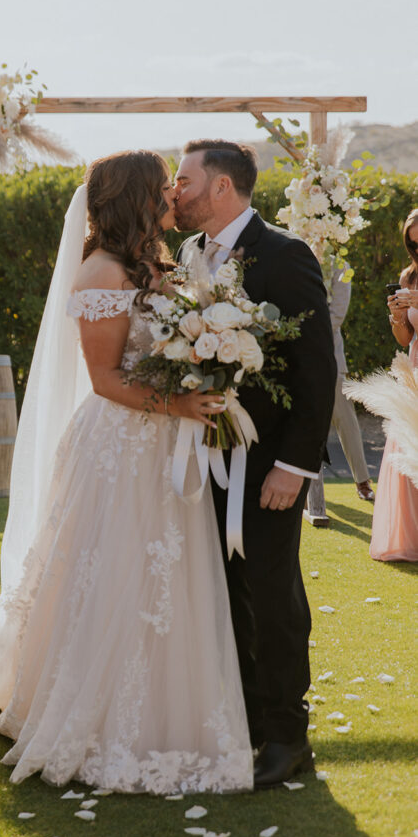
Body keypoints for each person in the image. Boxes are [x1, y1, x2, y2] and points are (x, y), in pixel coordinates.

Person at [0, 151, 253, 795]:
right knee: (112, 573)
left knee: (165, 576)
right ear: (137, 199)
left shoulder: (154, 264)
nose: (175, 195)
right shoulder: (101, 271)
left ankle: (167, 716)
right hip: (118, 448)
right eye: (164, 188)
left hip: (163, 448)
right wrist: (178, 401)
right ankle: (92, 718)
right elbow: (105, 378)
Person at [175, 140, 337, 788]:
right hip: (201, 458)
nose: (174, 191)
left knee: (271, 596)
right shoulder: (190, 255)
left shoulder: (284, 254)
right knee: (220, 593)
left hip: (267, 464)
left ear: (220, 188)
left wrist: (293, 468)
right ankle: (242, 720)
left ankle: (287, 736)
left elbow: (315, 368)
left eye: (183, 179)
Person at [369, 209, 418, 561]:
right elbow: (404, 338)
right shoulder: (409, 276)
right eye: (413, 243)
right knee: (409, 446)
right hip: (415, 369)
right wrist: (398, 317)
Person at [328, 268, 374, 501]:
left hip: (330, 357)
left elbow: (337, 315)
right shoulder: (293, 253)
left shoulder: (341, 266)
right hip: (295, 358)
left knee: (346, 421)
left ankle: (362, 480)